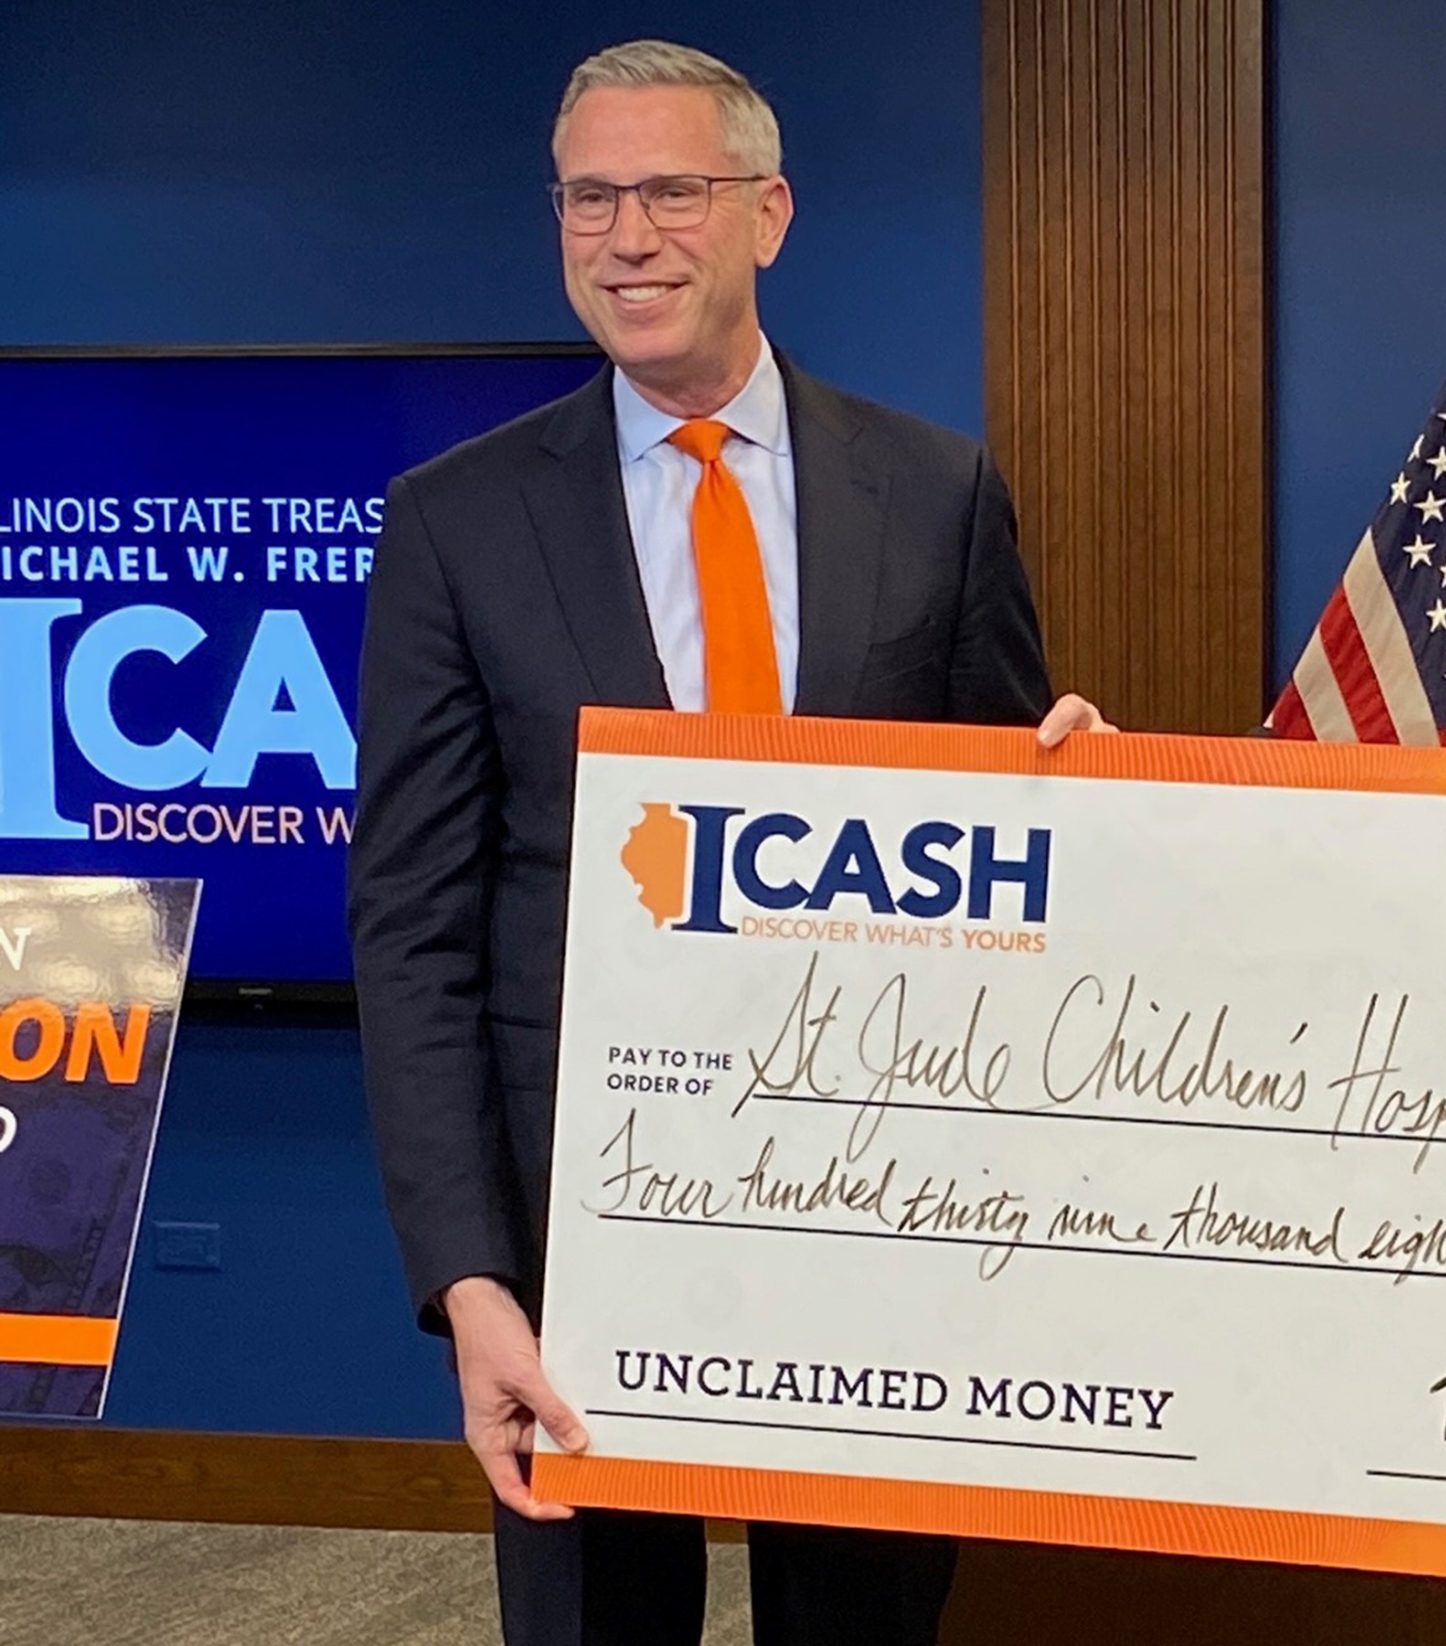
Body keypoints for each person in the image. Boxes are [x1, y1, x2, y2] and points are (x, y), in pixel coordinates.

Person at [349, 40, 1105, 1646]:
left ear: (768, 212)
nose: (628, 237)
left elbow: (1017, 858)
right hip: (578, 1254)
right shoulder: (457, 521)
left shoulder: (936, 489)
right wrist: (470, 1284)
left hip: (879, 1226)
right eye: (590, 198)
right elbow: (410, 932)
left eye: (672, 192)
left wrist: (1079, 801)